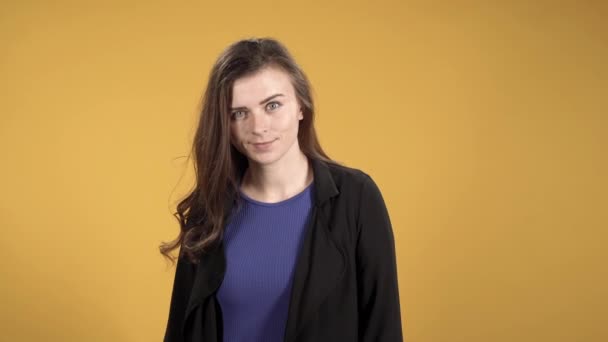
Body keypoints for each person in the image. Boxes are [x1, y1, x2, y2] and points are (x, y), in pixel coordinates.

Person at [160, 37, 403, 342]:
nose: (258, 126)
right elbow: (180, 332)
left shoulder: (357, 199)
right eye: (239, 113)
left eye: (272, 105)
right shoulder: (208, 211)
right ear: (225, 124)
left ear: (301, 105)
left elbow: (383, 328)